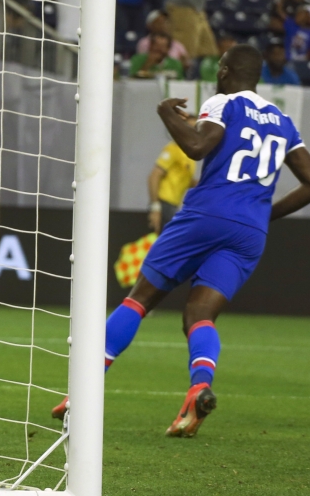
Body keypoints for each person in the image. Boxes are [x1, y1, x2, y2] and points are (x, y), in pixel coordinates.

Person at [53, 44, 310, 437]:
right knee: (200, 316)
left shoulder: (224, 104)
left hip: (205, 215)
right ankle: (199, 387)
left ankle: (82, 395)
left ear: (224, 71)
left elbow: (195, 147)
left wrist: (164, 114)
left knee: (139, 299)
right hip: (248, 233)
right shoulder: (283, 121)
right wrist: (263, 214)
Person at [147, 115, 197, 234]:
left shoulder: (189, 155)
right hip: (164, 204)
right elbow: (154, 176)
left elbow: (185, 179)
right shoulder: (173, 149)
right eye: (188, 128)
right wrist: (155, 208)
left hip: (175, 205)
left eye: (195, 129)